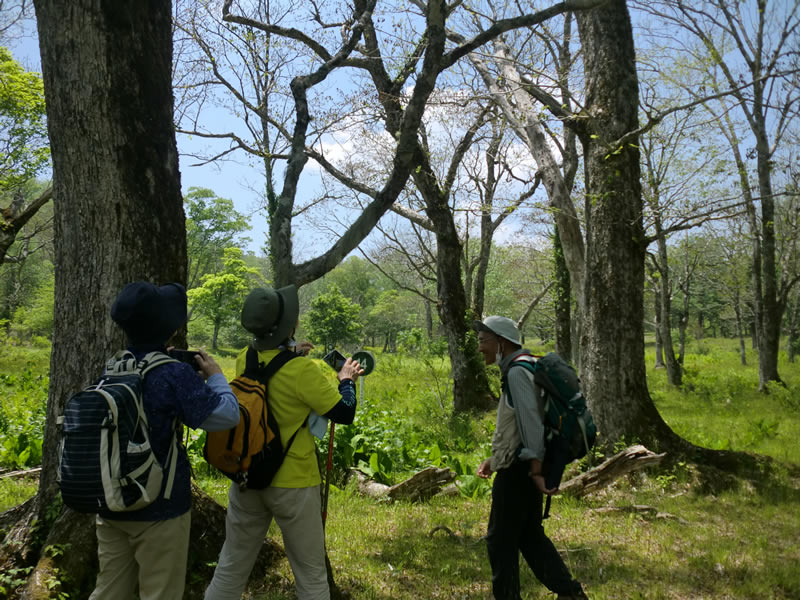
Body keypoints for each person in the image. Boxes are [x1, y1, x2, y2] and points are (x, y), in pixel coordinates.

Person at [205, 284, 364, 600]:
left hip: (247, 474)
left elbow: (269, 374)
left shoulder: (243, 358)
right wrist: (346, 380)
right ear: (286, 327)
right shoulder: (302, 370)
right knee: (311, 575)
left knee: (231, 567)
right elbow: (344, 413)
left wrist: (288, 352)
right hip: (294, 482)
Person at [90, 281, 240, 600]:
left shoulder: (112, 369)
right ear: (170, 330)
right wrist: (215, 376)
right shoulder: (173, 374)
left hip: (110, 502)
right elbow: (227, 416)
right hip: (160, 507)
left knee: (108, 592)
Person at [474, 316, 588, 600]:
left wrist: (537, 471)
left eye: (483, 341)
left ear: (501, 342)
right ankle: (571, 594)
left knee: (500, 541)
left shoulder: (516, 372)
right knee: (529, 536)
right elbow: (517, 427)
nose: (480, 348)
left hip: (521, 470)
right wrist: (494, 460)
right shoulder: (527, 365)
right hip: (520, 464)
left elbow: (532, 423)